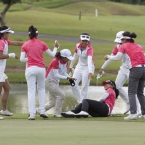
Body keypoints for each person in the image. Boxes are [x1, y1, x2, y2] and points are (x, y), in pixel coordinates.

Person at [20, 25, 59, 120]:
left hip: (30, 69)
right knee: (41, 89)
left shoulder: (25, 44)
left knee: (31, 91)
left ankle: (32, 114)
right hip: (41, 69)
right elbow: (53, 54)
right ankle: (42, 111)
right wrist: (56, 47)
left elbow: (21, 59)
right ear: (37, 34)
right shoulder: (42, 43)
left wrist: (28, 58)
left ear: (29, 35)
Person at [104, 31, 145, 120]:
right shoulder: (138, 45)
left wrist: (108, 56)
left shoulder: (124, 46)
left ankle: (134, 113)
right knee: (140, 92)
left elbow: (117, 57)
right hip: (144, 69)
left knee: (131, 92)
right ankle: (144, 114)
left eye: (122, 39)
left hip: (135, 69)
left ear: (126, 39)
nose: (121, 41)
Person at [36, 49, 75, 117]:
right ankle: (57, 113)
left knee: (52, 102)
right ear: (63, 57)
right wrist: (67, 78)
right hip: (49, 81)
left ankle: (38, 110)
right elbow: (56, 75)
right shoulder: (55, 61)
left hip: (55, 82)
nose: (68, 60)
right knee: (61, 95)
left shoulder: (65, 63)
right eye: (67, 58)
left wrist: (70, 78)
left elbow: (63, 73)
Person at [0, 26, 24, 119]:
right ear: (4, 34)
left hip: (1, 71)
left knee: (7, 88)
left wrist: (28, 43)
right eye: (8, 33)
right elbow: (0, 56)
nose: (9, 35)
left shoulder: (5, 41)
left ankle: (4, 110)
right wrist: (11, 55)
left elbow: (16, 43)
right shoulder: (1, 42)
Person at [69, 32, 95, 103]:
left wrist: (90, 71)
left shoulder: (89, 49)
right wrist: (71, 66)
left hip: (88, 67)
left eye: (86, 41)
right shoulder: (77, 46)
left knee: (84, 87)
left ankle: (83, 105)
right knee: (73, 84)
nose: (84, 42)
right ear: (80, 40)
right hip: (79, 66)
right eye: (83, 40)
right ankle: (80, 102)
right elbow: (75, 56)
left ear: (88, 41)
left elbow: (89, 61)